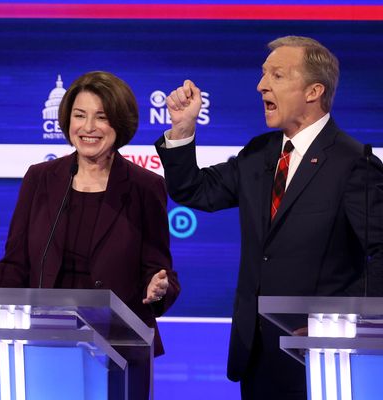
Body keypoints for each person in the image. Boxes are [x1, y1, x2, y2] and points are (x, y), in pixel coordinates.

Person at [155, 36, 383, 399]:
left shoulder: (353, 163)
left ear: (314, 91)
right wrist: (182, 130)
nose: (261, 85)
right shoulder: (259, 153)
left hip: (324, 358)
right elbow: (195, 190)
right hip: (256, 354)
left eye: (277, 75)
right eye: (264, 75)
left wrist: (338, 323)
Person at [0, 71, 180, 399]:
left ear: (120, 124)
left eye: (101, 117)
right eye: (79, 116)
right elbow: (15, 265)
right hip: (46, 346)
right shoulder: (41, 179)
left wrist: (158, 288)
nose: (88, 128)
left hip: (119, 350)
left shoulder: (145, 188)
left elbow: (159, 271)